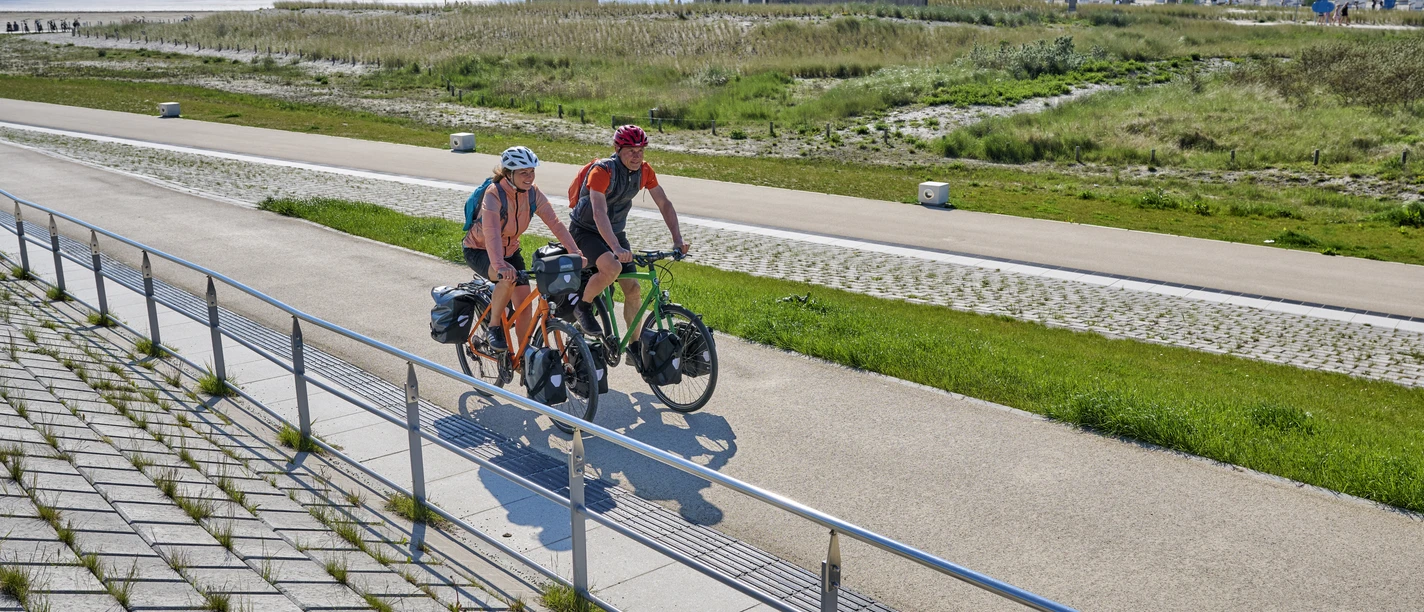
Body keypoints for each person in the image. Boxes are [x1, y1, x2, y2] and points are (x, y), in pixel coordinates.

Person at [569, 125, 690, 337]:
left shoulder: (644, 171)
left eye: (641, 151)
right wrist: (615, 247)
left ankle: (634, 347)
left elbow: (664, 203)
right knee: (612, 268)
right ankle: (583, 307)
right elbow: (599, 212)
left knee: (633, 289)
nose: (637, 156)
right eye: (631, 151)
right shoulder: (602, 170)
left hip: (615, 233)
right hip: (585, 231)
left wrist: (677, 239)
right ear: (617, 149)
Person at [463, 146, 584, 352]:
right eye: (523, 173)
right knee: (506, 279)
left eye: (532, 172)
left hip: (510, 251)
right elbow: (491, 233)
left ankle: (523, 355)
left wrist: (575, 252)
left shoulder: (532, 193)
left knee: (524, 306)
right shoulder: (494, 195)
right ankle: (494, 328)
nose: (529, 177)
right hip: (480, 249)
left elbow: (555, 222)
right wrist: (499, 264)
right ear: (509, 173)